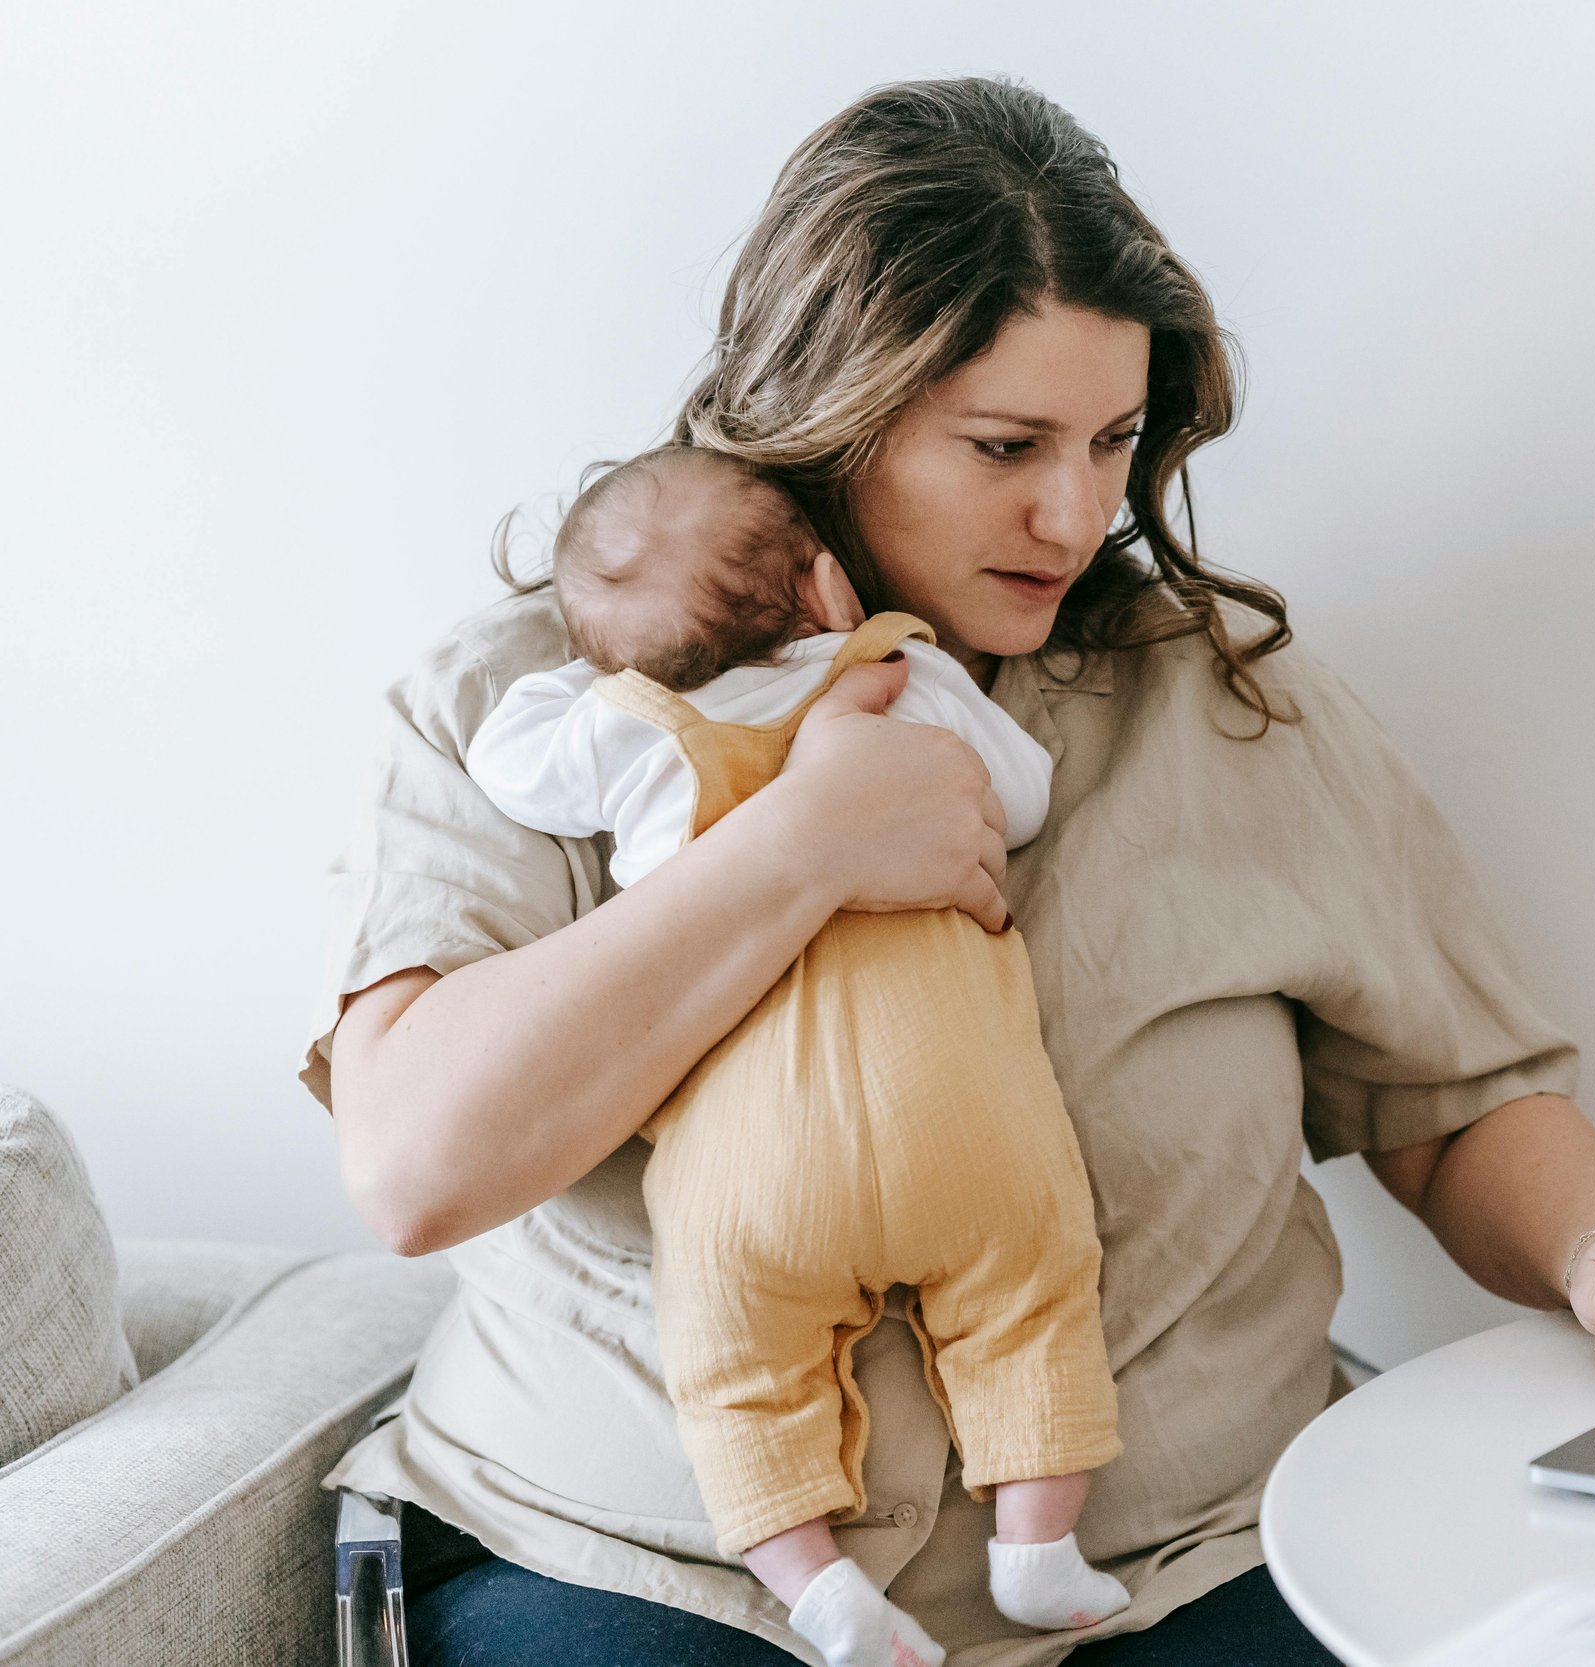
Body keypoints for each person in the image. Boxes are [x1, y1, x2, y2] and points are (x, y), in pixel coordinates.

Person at [312, 77, 1595, 1667]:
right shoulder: (533, 706)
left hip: (1189, 1557)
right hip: (646, 1565)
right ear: (828, 414)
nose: (1073, 512)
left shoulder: (1228, 700)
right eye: (1006, 445)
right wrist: (794, 850)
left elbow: (1452, 1096)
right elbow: (417, 1166)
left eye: (1114, 441)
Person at [462, 443, 1131, 1666]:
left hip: (752, 1154)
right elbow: (1022, 795)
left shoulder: (639, 731)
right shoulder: (896, 673)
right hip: (961, 1107)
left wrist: (595, 671)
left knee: (733, 1362)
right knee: (1036, 1291)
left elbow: (508, 759)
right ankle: (1037, 1547)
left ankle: (817, 1589)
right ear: (826, 583)